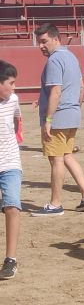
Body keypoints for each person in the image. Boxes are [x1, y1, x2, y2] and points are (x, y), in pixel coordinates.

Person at [31, 23, 84, 217]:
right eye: (39, 42)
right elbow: (78, 86)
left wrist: (49, 119)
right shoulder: (70, 56)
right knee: (67, 155)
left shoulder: (54, 60)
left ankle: (55, 204)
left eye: (44, 41)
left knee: (56, 160)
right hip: (72, 114)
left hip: (58, 116)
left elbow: (56, 91)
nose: (41, 46)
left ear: (55, 39)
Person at [0, 61, 21, 279]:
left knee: (12, 207)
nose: (14, 88)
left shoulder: (13, 100)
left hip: (10, 163)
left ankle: (11, 259)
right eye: (11, 83)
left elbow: (16, 119)